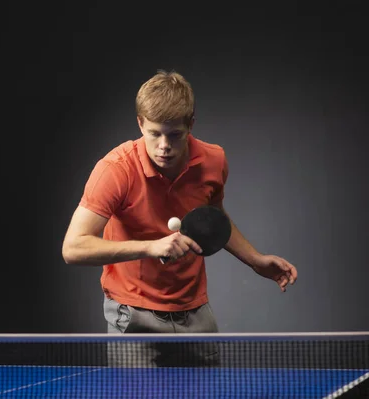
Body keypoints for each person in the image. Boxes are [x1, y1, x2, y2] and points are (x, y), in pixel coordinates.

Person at [61, 69, 298, 367]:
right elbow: (73, 248)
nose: (164, 146)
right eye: (154, 133)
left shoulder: (213, 161)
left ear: (191, 126)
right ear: (140, 124)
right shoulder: (115, 170)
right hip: (134, 315)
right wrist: (150, 247)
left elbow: (213, 217)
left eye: (175, 135)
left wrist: (255, 260)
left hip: (195, 312)